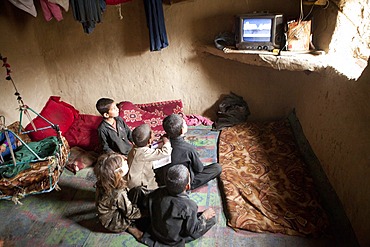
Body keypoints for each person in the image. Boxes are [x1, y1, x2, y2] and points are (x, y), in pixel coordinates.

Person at [141, 164, 216, 246]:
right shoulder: (189, 206)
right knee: (212, 220)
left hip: (155, 231)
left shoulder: (157, 191)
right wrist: (204, 216)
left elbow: (146, 203)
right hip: (172, 239)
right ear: (187, 186)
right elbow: (192, 230)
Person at [156, 114, 222, 190]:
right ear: (182, 130)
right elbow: (199, 169)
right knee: (217, 168)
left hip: (165, 181)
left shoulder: (161, 143)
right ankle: (185, 187)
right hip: (181, 182)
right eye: (184, 124)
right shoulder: (189, 149)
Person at [93, 152, 143, 240]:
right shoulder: (118, 193)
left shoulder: (105, 180)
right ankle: (129, 227)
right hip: (112, 221)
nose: (126, 161)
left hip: (106, 210)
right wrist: (146, 213)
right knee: (134, 213)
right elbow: (130, 212)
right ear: (119, 173)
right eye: (124, 162)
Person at [127, 123, 172, 191]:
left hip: (130, 178)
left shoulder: (135, 148)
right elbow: (166, 152)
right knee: (155, 190)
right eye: (152, 133)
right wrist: (166, 141)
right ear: (149, 141)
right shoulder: (144, 153)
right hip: (139, 184)